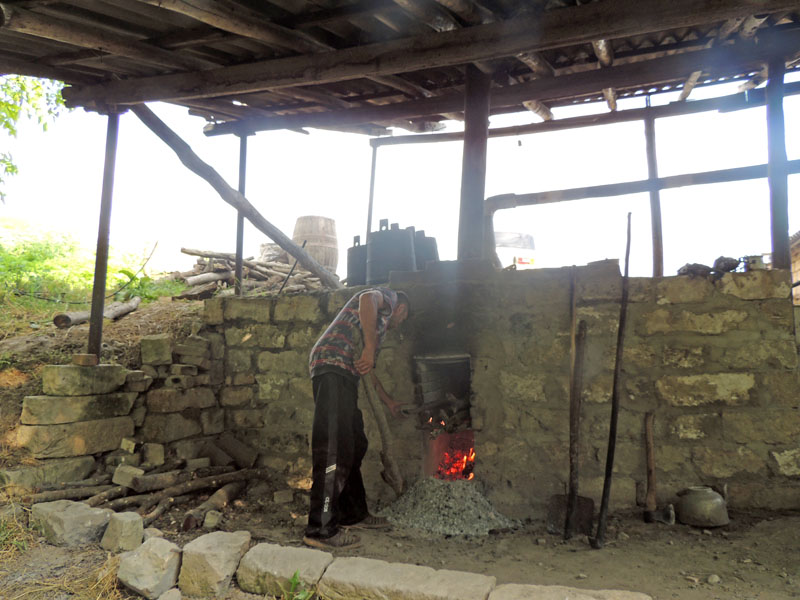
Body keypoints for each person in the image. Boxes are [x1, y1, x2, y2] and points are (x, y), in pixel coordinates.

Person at [302, 287, 410, 550]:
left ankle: (353, 514)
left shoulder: (374, 328)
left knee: (355, 443)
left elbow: (366, 368)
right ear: (402, 310)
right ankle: (320, 528)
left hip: (345, 373)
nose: (398, 326)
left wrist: (389, 402)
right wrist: (371, 348)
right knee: (333, 447)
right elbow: (366, 297)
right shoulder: (389, 299)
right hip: (332, 365)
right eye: (401, 321)